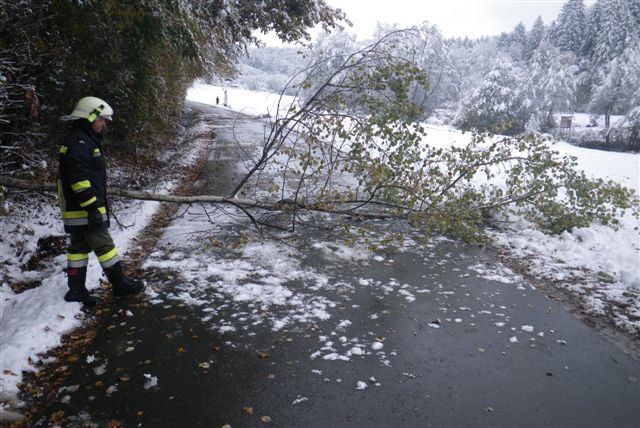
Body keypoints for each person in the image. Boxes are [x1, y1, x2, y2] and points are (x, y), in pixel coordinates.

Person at [58, 96, 144, 306]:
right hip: (85, 210)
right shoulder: (80, 142)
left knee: (78, 248)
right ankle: (120, 285)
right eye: (101, 120)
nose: (103, 124)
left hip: (76, 209)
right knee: (105, 246)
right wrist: (93, 209)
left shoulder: (80, 139)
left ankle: (76, 290)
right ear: (90, 118)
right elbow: (80, 181)